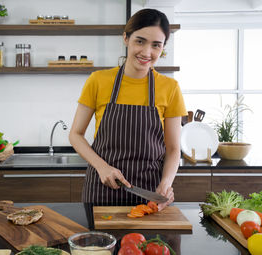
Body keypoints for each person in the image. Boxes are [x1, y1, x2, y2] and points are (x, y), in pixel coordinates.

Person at [69, 9, 187, 211]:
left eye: (156, 45)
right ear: (126, 38)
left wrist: (165, 184)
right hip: (101, 191)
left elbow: (174, 148)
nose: (147, 52)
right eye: (140, 41)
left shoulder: (170, 88)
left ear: (163, 47)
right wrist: (102, 167)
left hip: (150, 193)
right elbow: (75, 135)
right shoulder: (98, 81)